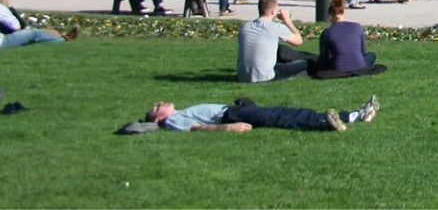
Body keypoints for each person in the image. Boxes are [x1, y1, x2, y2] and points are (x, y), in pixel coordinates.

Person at [142, 96, 376, 133]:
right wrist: (226, 128)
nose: (160, 102)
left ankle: (352, 116)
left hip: (233, 111)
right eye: (156, 107)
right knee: (279, 116)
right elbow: (196, 127)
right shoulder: (171, 120)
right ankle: (325, 122)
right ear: (158, 118)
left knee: (280, 112)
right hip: (230, 117)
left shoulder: (175, 113)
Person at [237, 0, 315, 82]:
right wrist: (287, 20)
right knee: (306, 63)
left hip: (242, 76)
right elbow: (298, 41)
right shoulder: (276, 27)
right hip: (266, 77)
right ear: (273, 11)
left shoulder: (245, 27)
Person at [314, 0, 383, 78]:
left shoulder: (327, 32)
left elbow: (324, 59)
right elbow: (363, 52)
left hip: (339, 68)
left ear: (330, 16)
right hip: (359, 66)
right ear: (343, 12)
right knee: (371, 55)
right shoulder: (357, 27)